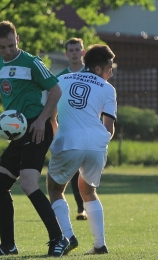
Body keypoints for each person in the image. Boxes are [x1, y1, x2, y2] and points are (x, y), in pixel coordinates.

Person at [0, 20, 69, 257]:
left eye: (11, 45)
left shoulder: (31, 62)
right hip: (19, 133)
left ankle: (59, 239)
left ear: (17, 39)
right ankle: (8, 246)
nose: (8, 51)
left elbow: (56, 90)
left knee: (29, 184)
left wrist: (42, 120)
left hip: (37, 127)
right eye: (2, 47)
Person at [47, 44, 117, 255]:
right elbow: (109, 128)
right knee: (89, 191)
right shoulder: (107, 88)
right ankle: (99, 244)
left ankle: (68, 237)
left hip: (69, 141)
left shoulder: (61, 79)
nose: (111, 72)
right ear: (98, 69)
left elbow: (51, 116)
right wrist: (100, 142)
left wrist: (57, 136)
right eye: (109, 68)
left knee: (55, 189)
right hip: (96, 144)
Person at [56, 37, 88, 221]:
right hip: (70, 131)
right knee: (76, 171)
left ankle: (89, 203)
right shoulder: (60, 77)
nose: (75, 53)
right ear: (66, 54)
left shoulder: (92, 74)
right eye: (71, 50)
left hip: (89, 130)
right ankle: (81, 208)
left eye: (78, 49)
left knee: (87, 171)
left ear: (83, 52)